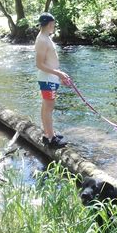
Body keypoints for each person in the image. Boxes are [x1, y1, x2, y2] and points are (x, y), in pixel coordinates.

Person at [35, 12, 70, 148]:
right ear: (50, 24)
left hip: (51, 78)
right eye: (53, 24)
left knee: (46, 107)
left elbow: (49, 61)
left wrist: (58, 75)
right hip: (48, 79)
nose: (54, 26)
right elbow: (39, 64)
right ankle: (51, 139)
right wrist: (58, 73)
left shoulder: (45, 37)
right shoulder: (42, 40)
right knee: (49, 108)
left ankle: (48, 134)